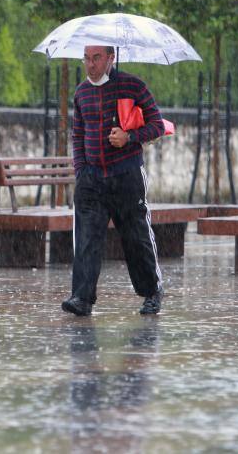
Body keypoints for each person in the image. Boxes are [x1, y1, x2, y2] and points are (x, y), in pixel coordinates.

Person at [61, 44, 165, 316]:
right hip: (91, 179)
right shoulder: (81, 92)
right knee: (86, 239)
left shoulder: (132, 86)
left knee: (136, 237)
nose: (90, 64)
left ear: (111, 58)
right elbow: (78, 134)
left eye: (96, 58)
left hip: (126, 175)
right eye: (86, 58)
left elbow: (157, 125)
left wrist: (129, 137)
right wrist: (81, 170)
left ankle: (152, 292)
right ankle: (81, 298)